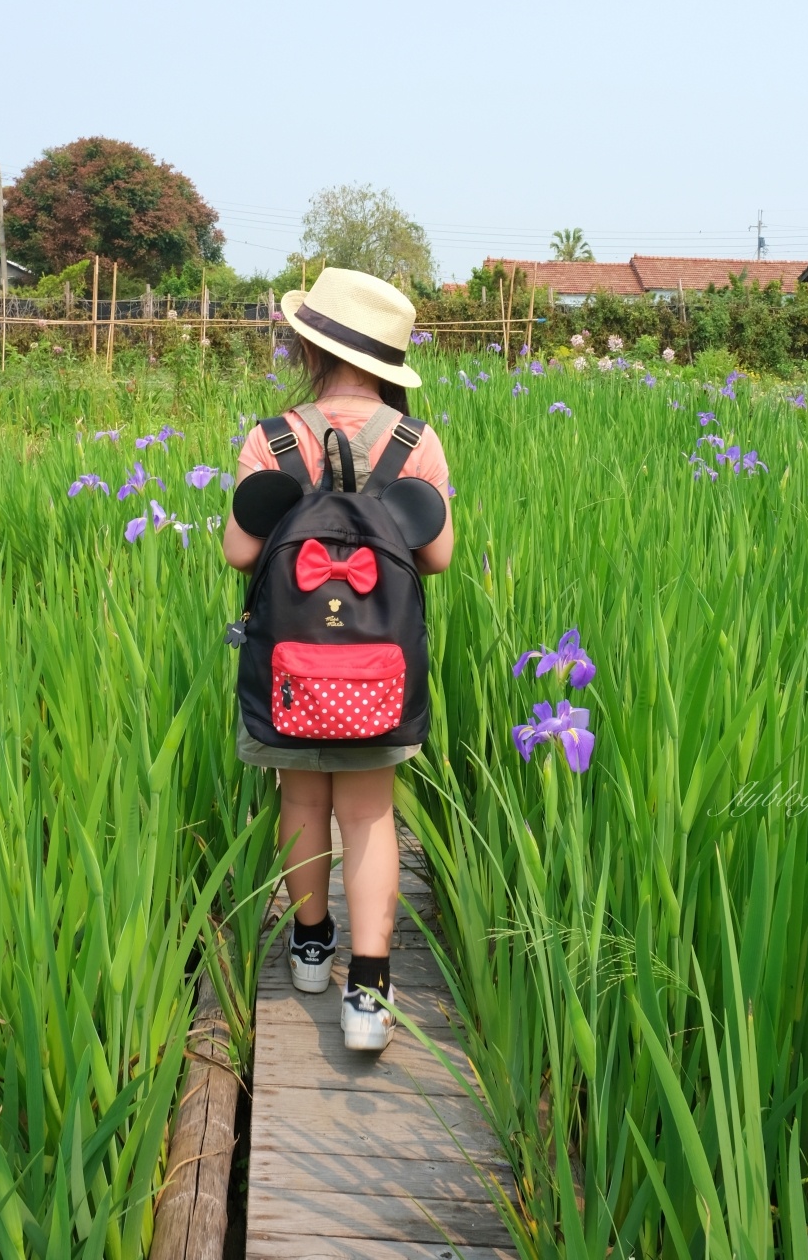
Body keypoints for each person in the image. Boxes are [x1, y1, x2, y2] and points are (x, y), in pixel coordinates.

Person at [222, 268, 454, 1049]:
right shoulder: (414, 441)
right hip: (379, 673)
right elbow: (438, 556)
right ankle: (370, 989)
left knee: (301, 804)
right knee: (369, 815)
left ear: (307, 344)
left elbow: (237, 551)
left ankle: (311, 943)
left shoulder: (274, 437)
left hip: (290, 665)